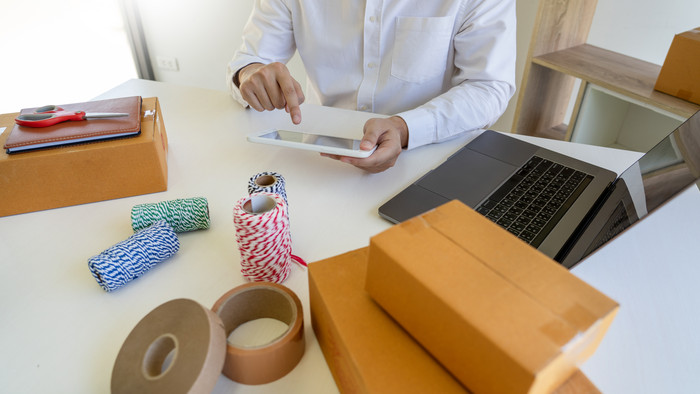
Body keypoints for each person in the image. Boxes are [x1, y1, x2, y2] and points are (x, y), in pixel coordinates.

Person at [227, 0, 516, 173]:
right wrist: (250, 74)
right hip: (320, 163)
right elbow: (250, 60)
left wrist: (405, 128)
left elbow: (488, 86)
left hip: (426, 163)